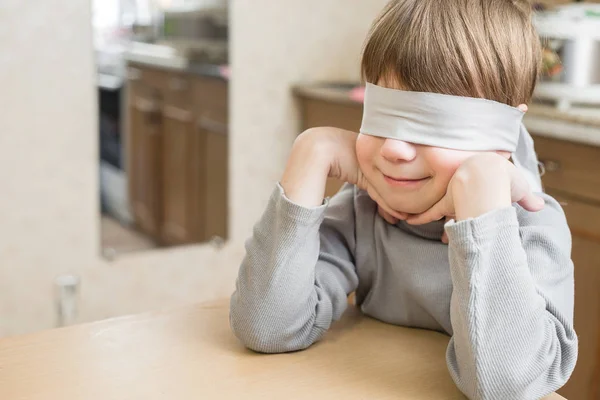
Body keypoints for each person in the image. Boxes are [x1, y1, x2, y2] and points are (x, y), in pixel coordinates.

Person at [229, 0, 578, 398]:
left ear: (502, 134)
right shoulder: (362, 210)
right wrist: (312, 151)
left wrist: (483, 206)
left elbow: (506, 384)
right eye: (383, 115)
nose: (394, 148)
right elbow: (267, 327)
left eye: (434, 122)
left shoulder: (532, 225)